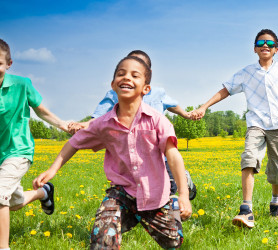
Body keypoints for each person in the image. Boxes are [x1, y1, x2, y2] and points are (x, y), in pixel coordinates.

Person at [33, 56, 192, 249]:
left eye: (135, 75)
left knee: (173, 241)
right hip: (121, 193)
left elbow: (173, 156)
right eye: (121, 74)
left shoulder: (157, 121)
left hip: (155, 195)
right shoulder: (103, 125)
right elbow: (74, 142)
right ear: (113, 85)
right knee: (103, 236)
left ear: (146, 89)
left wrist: (183, 194)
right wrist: (52, 170)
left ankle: (173, 209)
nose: (126, 78)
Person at [190, 29, 278, 229]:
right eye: (260, 43)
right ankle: (246, 209)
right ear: (254, 49)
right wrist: (204, 106)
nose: (264, 45)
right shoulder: (246, 72)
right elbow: (225, 90)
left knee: (277, 169)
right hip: (256, 124)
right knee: (249, 157)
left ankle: (275, 202)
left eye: (269, 43)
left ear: (276, 49)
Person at [70, 50, 197, 201]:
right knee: (134, 190)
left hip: (159, 151)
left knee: (168, 190)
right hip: (132, 154)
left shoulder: (158, 92)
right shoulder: (115, 93)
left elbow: (172, 105)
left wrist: (186, 114)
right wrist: (83, 125)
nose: (129, 75)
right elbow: (99, 118)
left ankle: (182, 181)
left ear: (148, 72)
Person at [0, 38, 72, 250]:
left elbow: (41, 111)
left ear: (9, 64)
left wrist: (63, 124)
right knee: (11, 203)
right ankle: (44, 193)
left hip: (18, 150)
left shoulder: (22, 85)